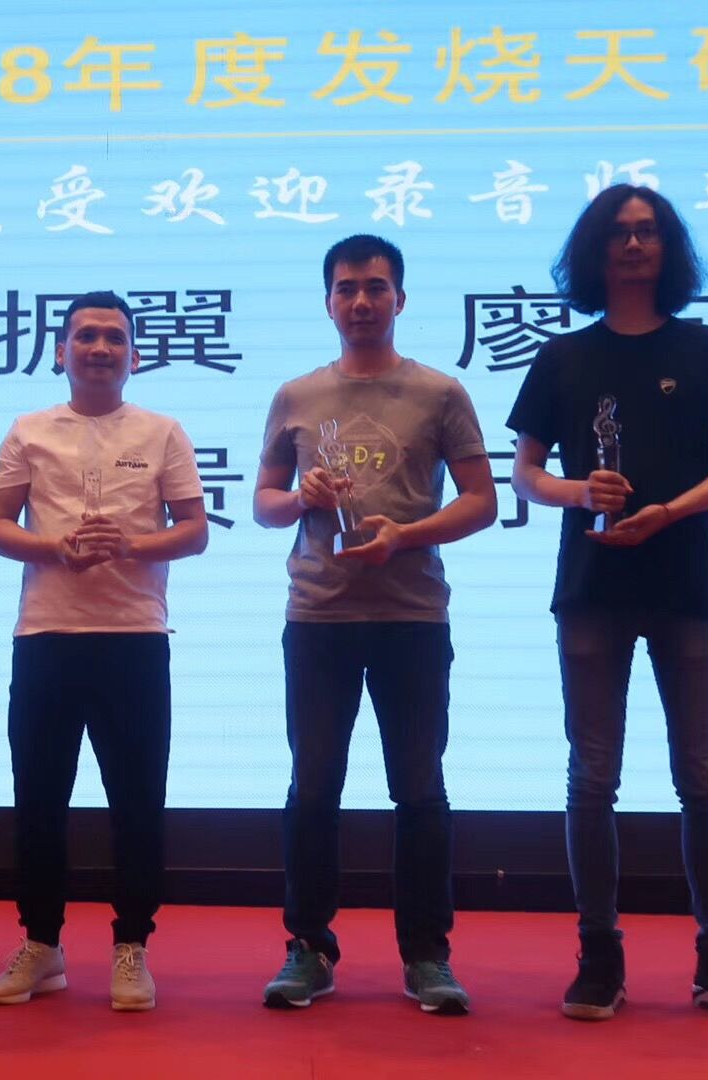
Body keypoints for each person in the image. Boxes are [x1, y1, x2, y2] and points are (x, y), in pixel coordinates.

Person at [507, 184, 708, 1026]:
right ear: (593, 250)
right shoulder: (563, 357)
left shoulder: (707, 349)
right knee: (592, 776)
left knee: (703, 775)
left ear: (670, 249)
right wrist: (576, 491)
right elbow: (524, 472)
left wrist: (671, 510)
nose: (633, 245)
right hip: (591, 590)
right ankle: (599, 955)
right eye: (619, 232)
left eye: (648, 231)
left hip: (684, 587)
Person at [253, 235, 497, 1014]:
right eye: (347, 288)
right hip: (318, 614)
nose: (361, 301)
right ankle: (308, 947)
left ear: (401, 299)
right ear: (328, 302)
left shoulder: (440, 392)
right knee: (313, 786)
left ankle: (427, 955)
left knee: (419, 789)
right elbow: (264, 503)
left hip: (411, 615)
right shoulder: (296, 395)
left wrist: (406, 535)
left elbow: (481, 501)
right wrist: (302, 499)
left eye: (376, 287)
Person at [0, 291, 207, 1013]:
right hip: (46, 636)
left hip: (135, 638)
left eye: (114, 337)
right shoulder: (29, 430)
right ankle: (42, 944)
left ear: (134, 354)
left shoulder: (163, 431)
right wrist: (54, 548)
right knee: (39, 797)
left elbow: (195, 530)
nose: (100, 348)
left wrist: (131, 545)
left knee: (137, 801)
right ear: (61, 351)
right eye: (85, 336)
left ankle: (131, 945)